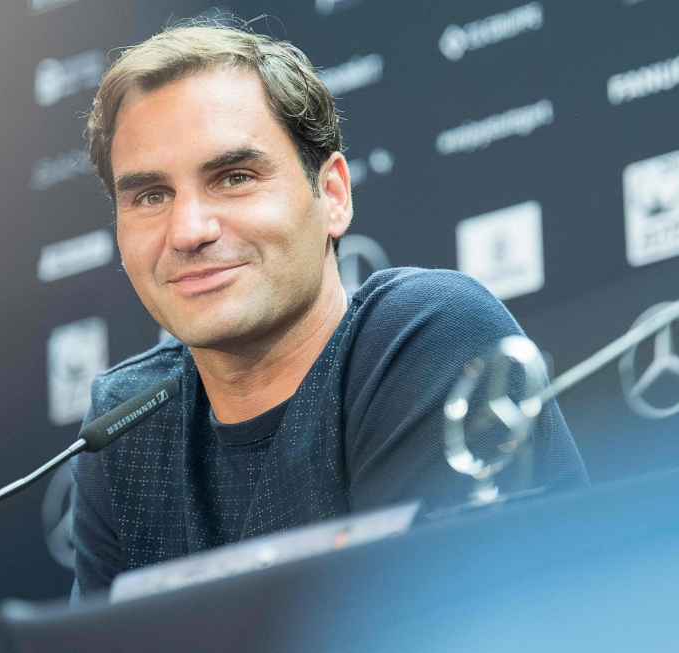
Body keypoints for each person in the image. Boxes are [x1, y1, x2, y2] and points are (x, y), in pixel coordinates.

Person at [70, 21, 588, 600]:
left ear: (334, 195)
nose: (189, 230)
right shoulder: (128, 427)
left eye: (235, 178)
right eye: (150, 196)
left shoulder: (426, 337)